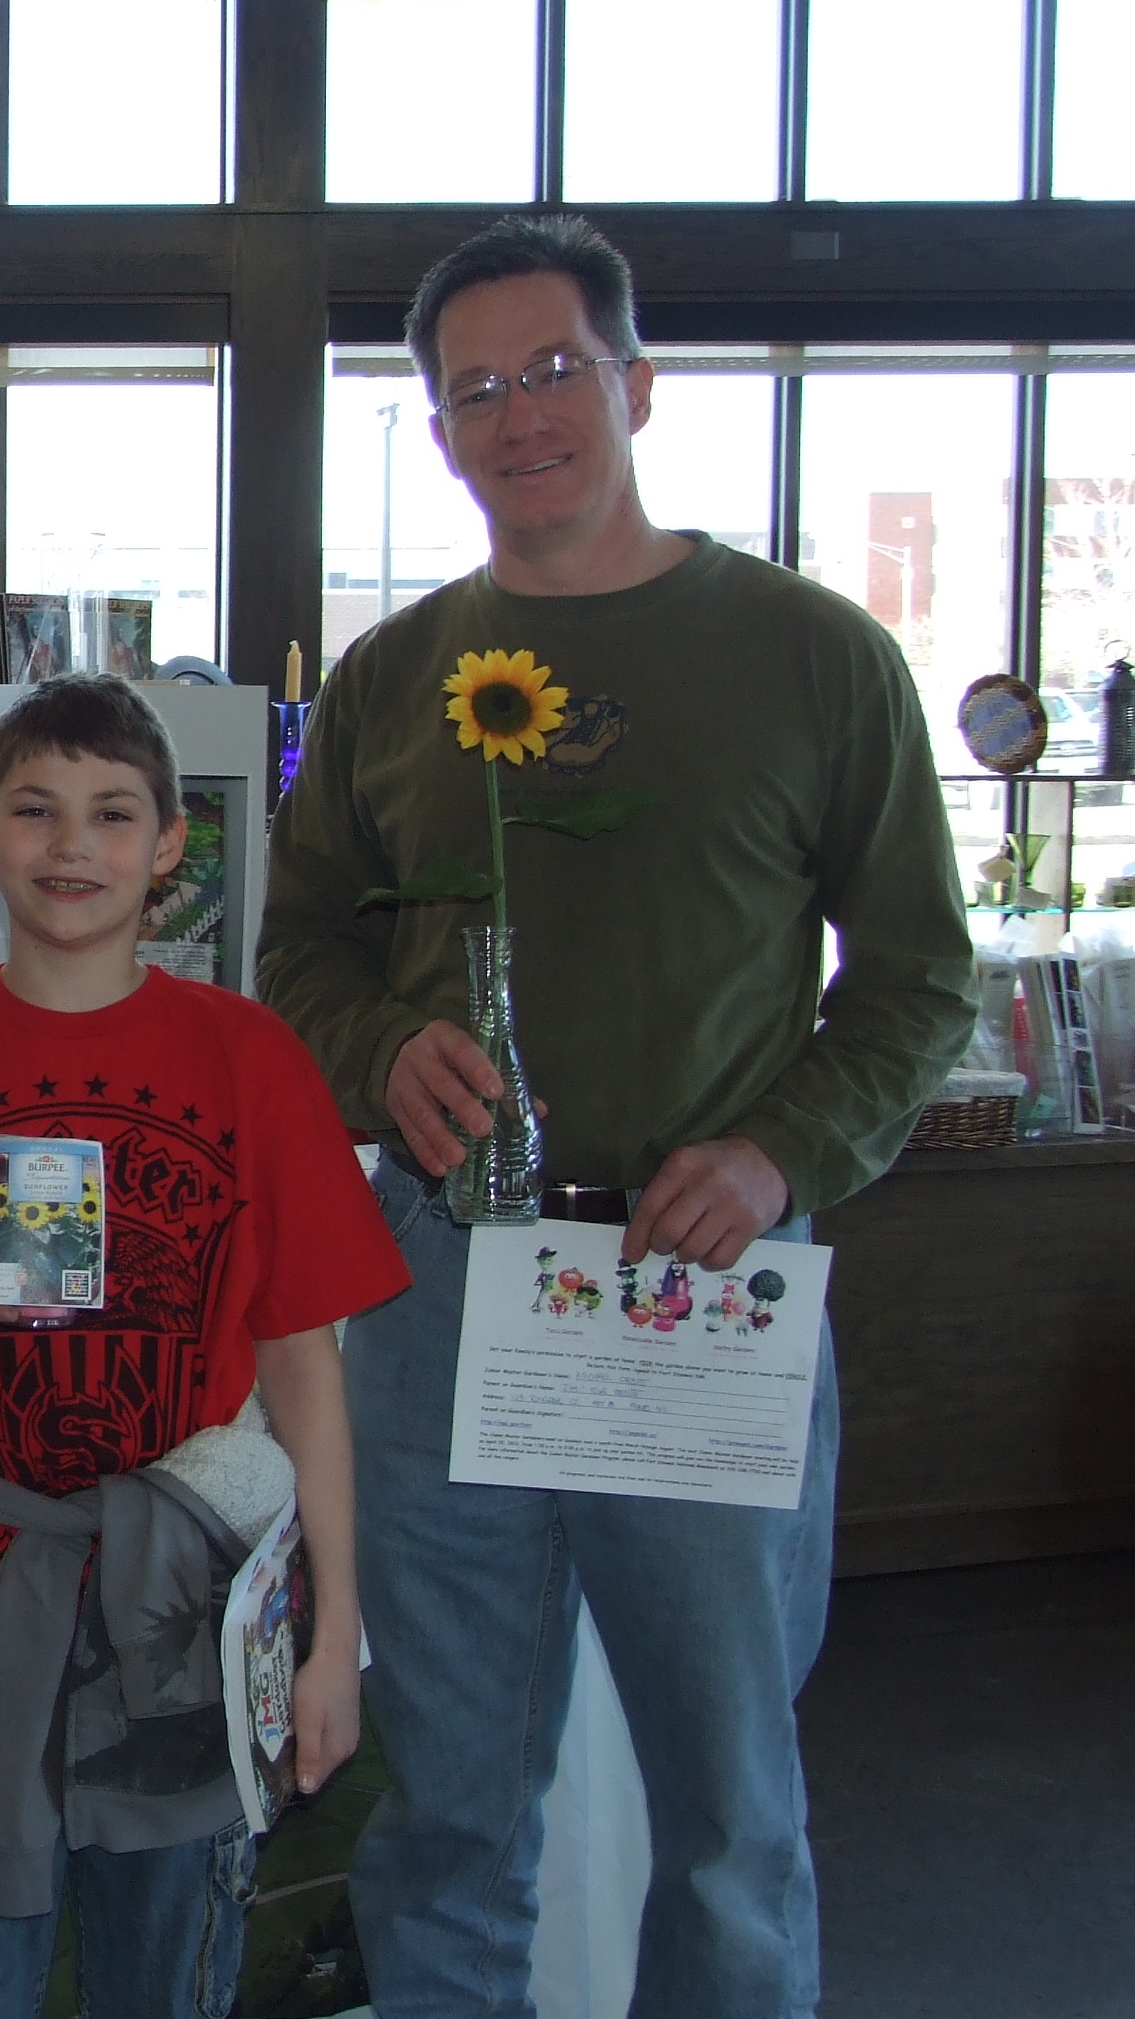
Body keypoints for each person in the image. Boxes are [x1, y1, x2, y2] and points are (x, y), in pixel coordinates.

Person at [259, 213, 976, 2017]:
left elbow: (914, 986)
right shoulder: (390, 680)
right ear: (437, 433)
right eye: (474, 391)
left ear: (637, 383)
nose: (520, 416)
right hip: (440, 1293)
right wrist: (376, 1056)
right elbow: (302, 960)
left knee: (730, 1819)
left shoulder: (814, 656)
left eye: (555, 370)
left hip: (695, 1286)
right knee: (449, 1815)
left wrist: (776, 1153)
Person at [0, 675, 410, 2019]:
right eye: (36, 810)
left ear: (170, 843)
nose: (72, 846)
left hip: (186, 1604)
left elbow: (306, 1364)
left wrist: (333, 1637)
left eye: (112, 814)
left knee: (171, 1960)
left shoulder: (252, 1060)